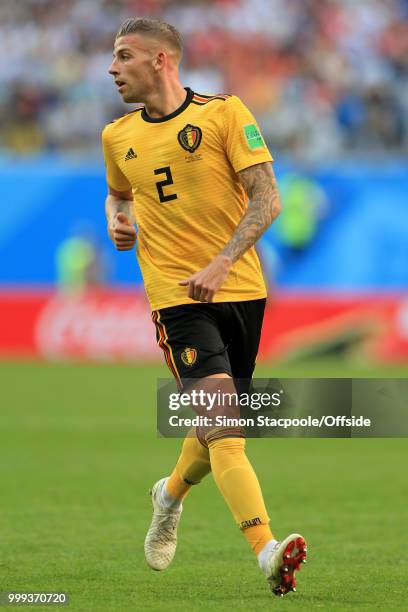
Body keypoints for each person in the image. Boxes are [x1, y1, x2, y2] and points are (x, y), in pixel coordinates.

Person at [102, 17, 307, 597]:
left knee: (215, 425)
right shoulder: (116, 137)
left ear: (160, 61)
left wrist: (221, 262)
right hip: (177, 299)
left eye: (124, 56)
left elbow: (269, 199)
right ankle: (267, 550)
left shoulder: (224, 114)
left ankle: (168, 496)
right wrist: (118, 220)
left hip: (241, 291)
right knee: (226, 426)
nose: (112, 68)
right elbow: (119, 194)